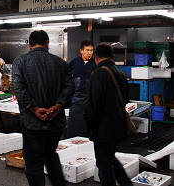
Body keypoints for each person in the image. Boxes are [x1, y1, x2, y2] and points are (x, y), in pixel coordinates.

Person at [12, 30, 75, 186]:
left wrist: (34, 109)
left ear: (29, 46)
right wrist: (58, 106)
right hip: (55, 121)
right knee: (50, 156)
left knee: (34, 163)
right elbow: (70, 87)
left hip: (32, 123)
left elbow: (18, 89)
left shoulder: (20, 61)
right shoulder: (61, 63)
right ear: (48, 44)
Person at [84, 43, 132, 186]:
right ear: (113, 57)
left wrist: (90, 125)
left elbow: (92, 104)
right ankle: (127, 184)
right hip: (117, 125)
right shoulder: (119, 72)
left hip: (102, 127)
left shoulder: (97, 74)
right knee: (109, 158)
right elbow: (126, 98)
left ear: (96, 57)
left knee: (104, 164)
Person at [66, 40, 96, 138]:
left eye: (91, 50)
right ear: (81, 51)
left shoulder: (95, 64)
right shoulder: (74, 62)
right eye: (87, 50)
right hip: (75, 100)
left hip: (89, 100)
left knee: (87, 126)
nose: (90, 53)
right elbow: (65, 75)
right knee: (73, 126)